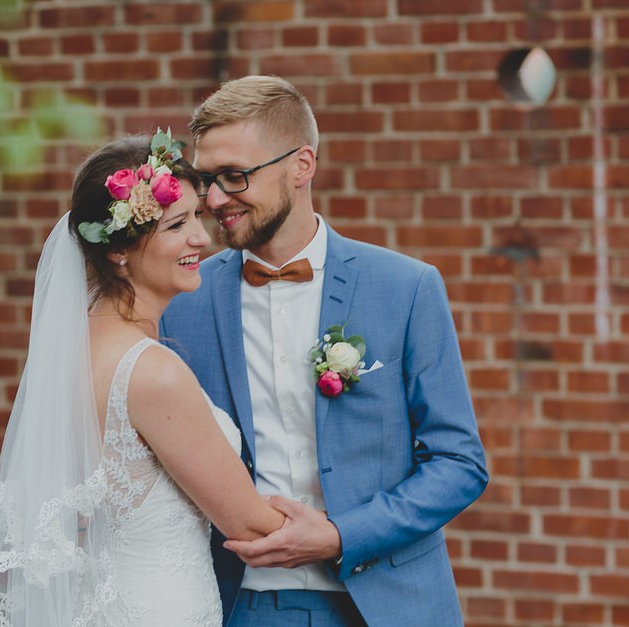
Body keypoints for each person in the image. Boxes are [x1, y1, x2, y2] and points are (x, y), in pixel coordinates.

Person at [160, 75, 489, 626]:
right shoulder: (179, 301)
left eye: (234, 176)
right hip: (237, 606)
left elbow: (459, 463)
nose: (214, 199)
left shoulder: (406, 287)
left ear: (301, 165)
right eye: (204, 180)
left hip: (388, 605)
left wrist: (340, 535)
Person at [0, 130, 285, 627]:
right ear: (120, 248)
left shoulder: (75, 349)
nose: (201, 239)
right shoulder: (151, 371)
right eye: (177, 224)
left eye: (198, 218)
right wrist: (339, 533)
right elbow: (248, 523)